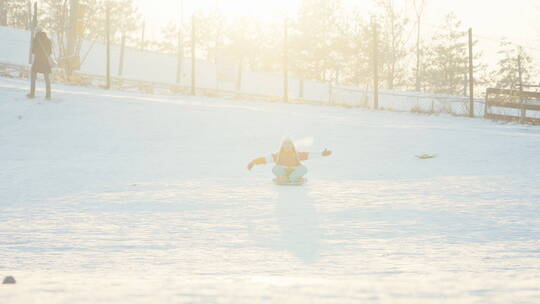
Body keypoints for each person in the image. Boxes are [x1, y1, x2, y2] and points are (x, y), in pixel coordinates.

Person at [247, 139, 332, 183]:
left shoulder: (297, 154)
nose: (287, 146)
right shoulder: (278, 155)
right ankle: (282, 177)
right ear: (282, 146)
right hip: (283, 171)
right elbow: (265, 159)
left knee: (303, 169)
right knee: (275, 168)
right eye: (285, 144)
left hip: (294, 170)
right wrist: (253, 162)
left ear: (292, 146)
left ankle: (294, 178)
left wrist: (322, 154)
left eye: (289, 144)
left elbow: (310, 155)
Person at [27, 28, 52, 100]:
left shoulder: (36, 39)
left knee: (33, 76)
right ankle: (48, 95)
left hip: (37, 60)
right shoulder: (48, 40)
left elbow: (33, 51)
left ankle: (32, 93)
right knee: (47, 78)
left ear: (37, 33)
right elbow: (50, 52)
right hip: (45, 61)